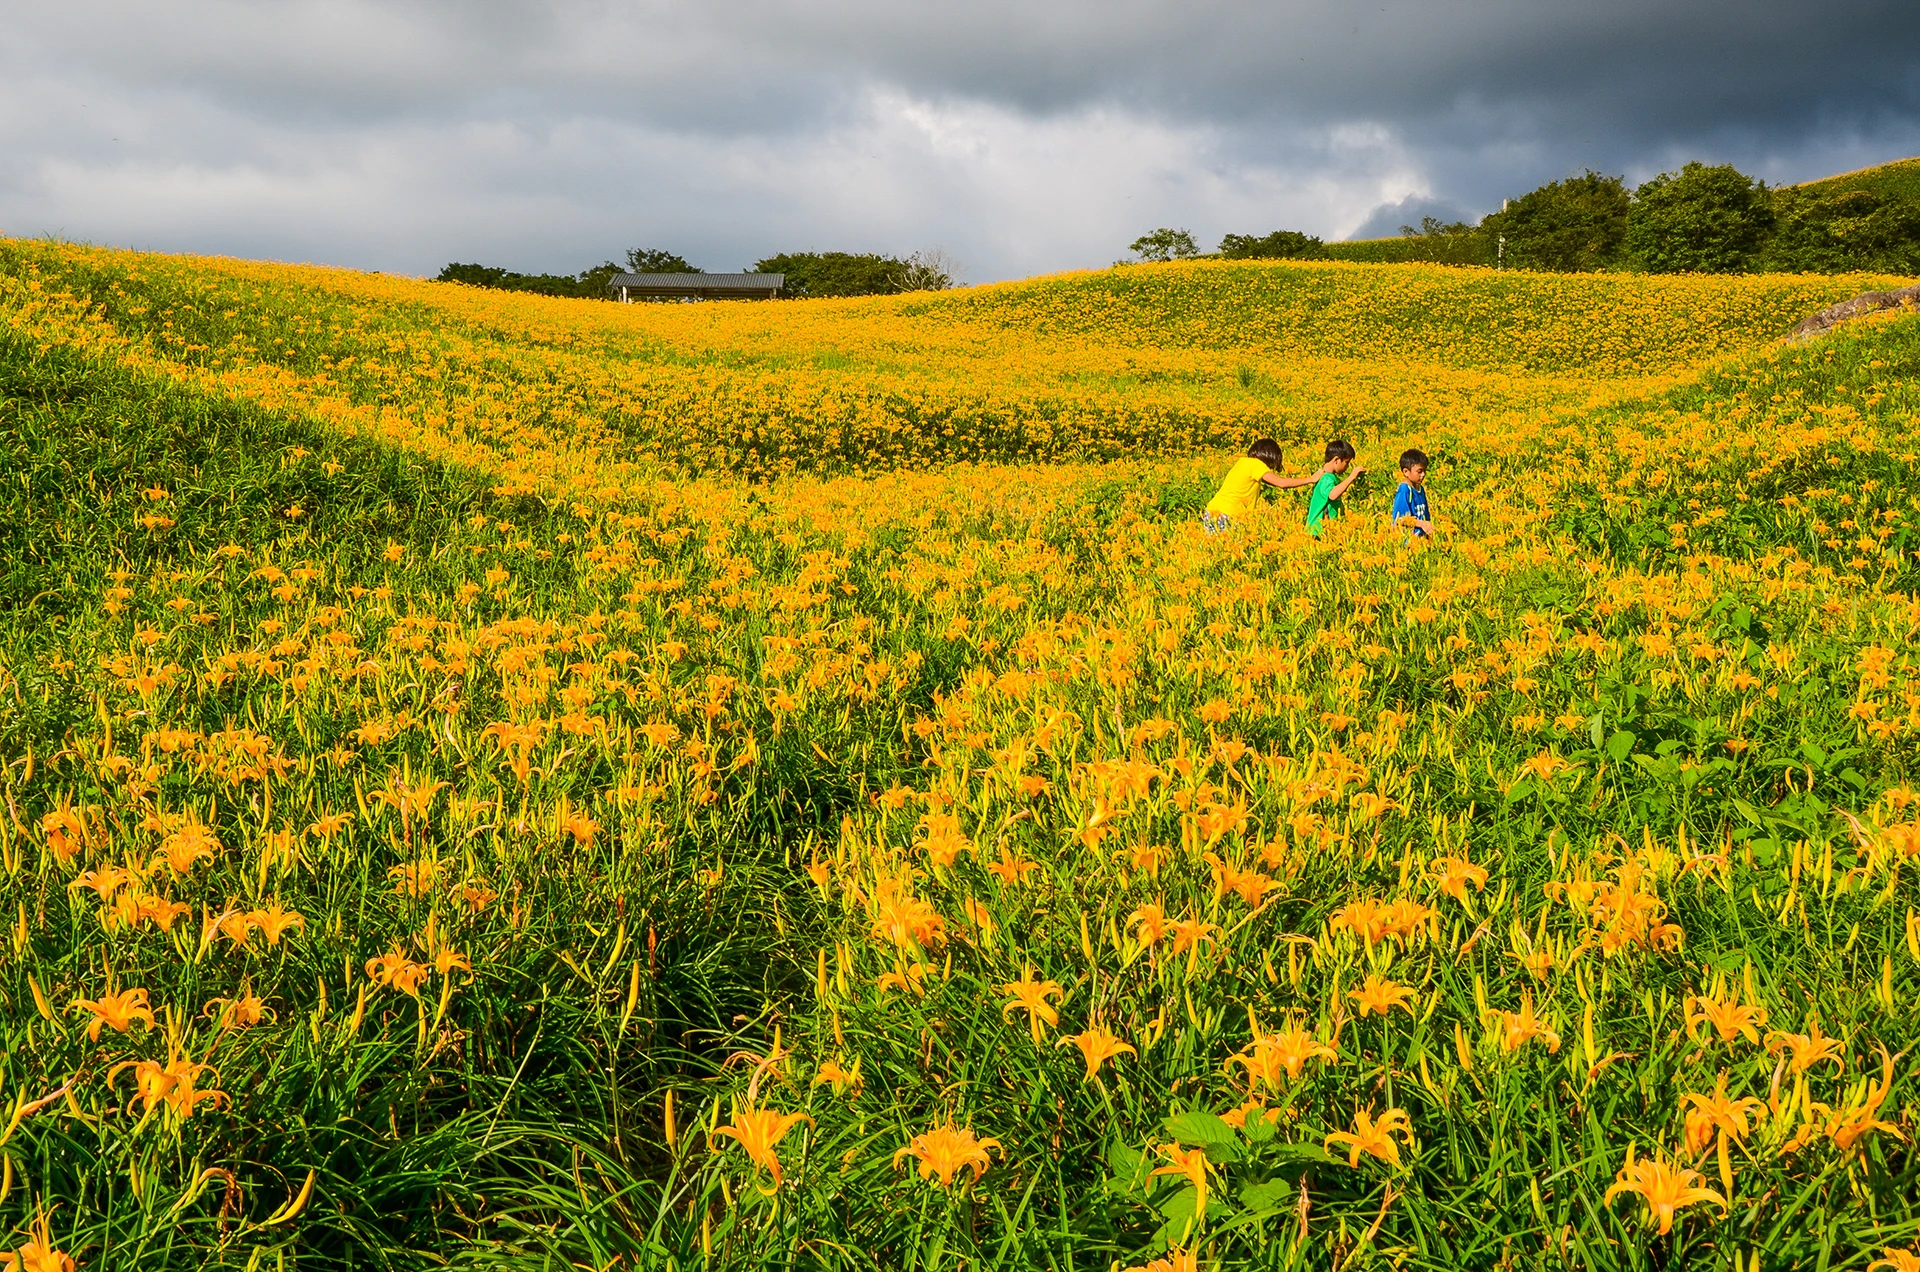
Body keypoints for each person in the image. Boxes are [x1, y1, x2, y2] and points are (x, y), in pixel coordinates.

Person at [1203, 438, 1315, 533]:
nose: (1270, 469)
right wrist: (1310, 479)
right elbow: (1281, 483)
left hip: (1213, 511)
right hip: (1227, 515)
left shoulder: (1243, 462)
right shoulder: (1257, 464)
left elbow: (1270, 481)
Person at [1305, 440, 1362, 536]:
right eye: (1346, 462)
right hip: (1319, 532)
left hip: (1326, 530)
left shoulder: (1327, 477)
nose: (1347, 466)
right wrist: (1351, 477)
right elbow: (1332, 495)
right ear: (1336, 460)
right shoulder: (1326, 478)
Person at [1391, 448, 1436, 539]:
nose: (1423, 474)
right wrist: (1422, 524)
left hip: (1421, 541)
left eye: (1424, 471)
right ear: (1406, 472)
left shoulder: (1421, 489)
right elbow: (1400, 519)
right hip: (1408, 542)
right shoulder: (1404, 490)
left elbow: (1425, 515)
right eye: (1419, 471)